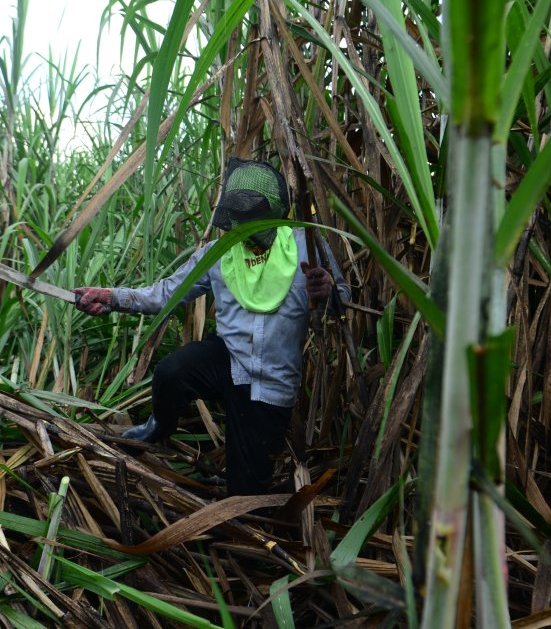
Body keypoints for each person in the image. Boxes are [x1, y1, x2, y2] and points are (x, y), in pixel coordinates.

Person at [72, 158, 349, 496]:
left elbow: (343, 298)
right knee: (172, 372)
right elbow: (165, 293)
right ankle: (159, 426)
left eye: (252, 213)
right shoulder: (221, 252)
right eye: (238, 213)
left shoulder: (308, 244)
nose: (243, 222)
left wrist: (328, 291)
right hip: (226, 361)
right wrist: (111, 297)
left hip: (271, 383)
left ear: (272, 209)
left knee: (245, 494)